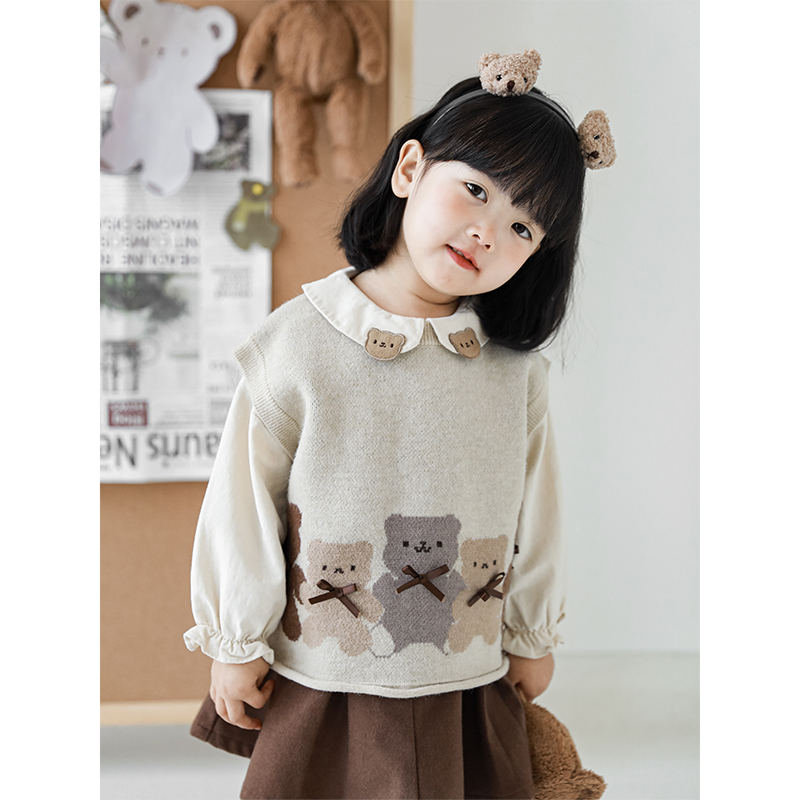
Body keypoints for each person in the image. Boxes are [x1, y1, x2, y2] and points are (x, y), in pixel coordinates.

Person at [184, 52, 614, 800]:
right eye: (475, 190)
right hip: (327, 673)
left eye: (521, 225)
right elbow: (242, 501)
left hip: (464, 673)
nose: (486, 232)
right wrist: (235, 637)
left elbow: (538, 512)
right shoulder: (299, 343)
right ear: (411, 168)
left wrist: (531, 631)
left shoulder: (513, 373)